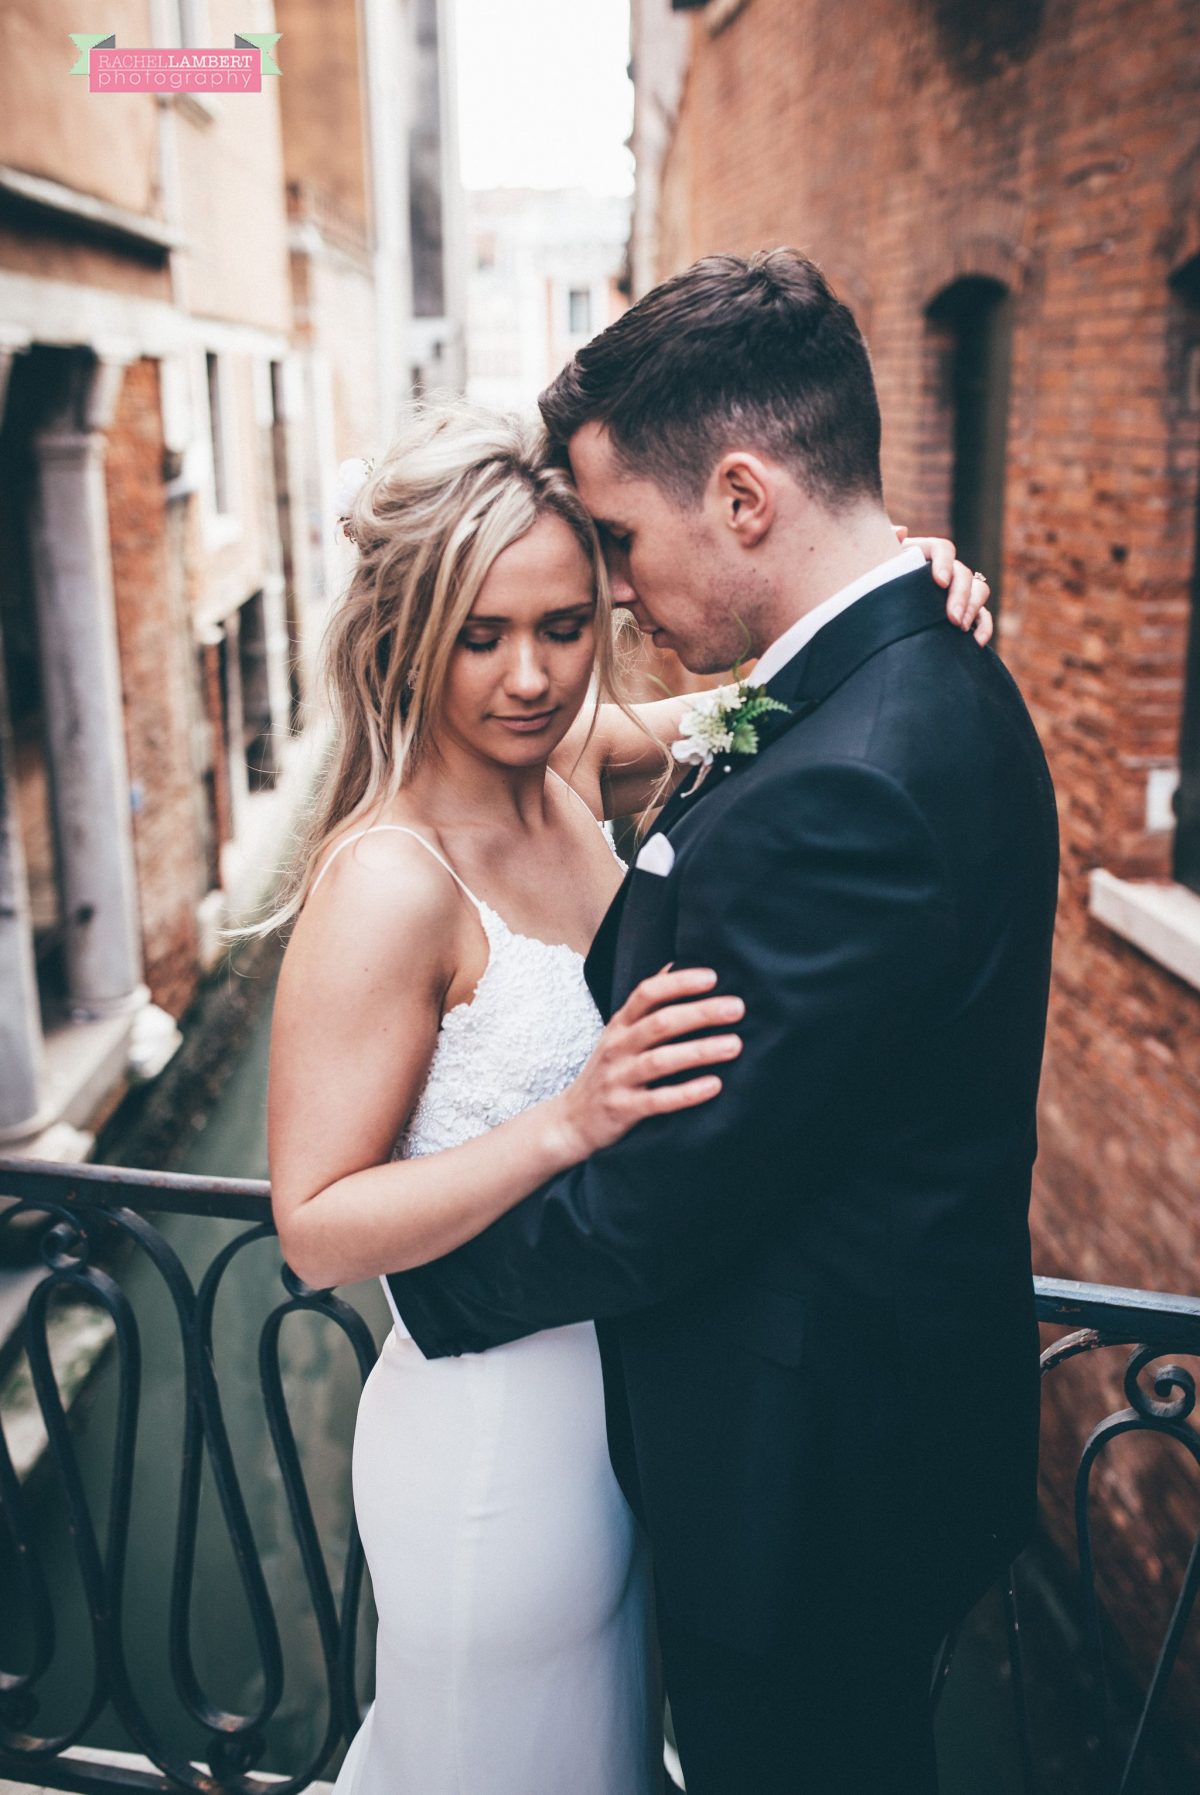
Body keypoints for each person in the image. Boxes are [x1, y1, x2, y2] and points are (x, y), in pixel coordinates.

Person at [384, 252, 1060, 1795]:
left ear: (745, 499)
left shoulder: (850, 780)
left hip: (803, 1492)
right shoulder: (895, 676)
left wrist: (425, 1304)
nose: (609, 592)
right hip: (847, 1454)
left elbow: (676, 1191)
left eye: (617, 542)